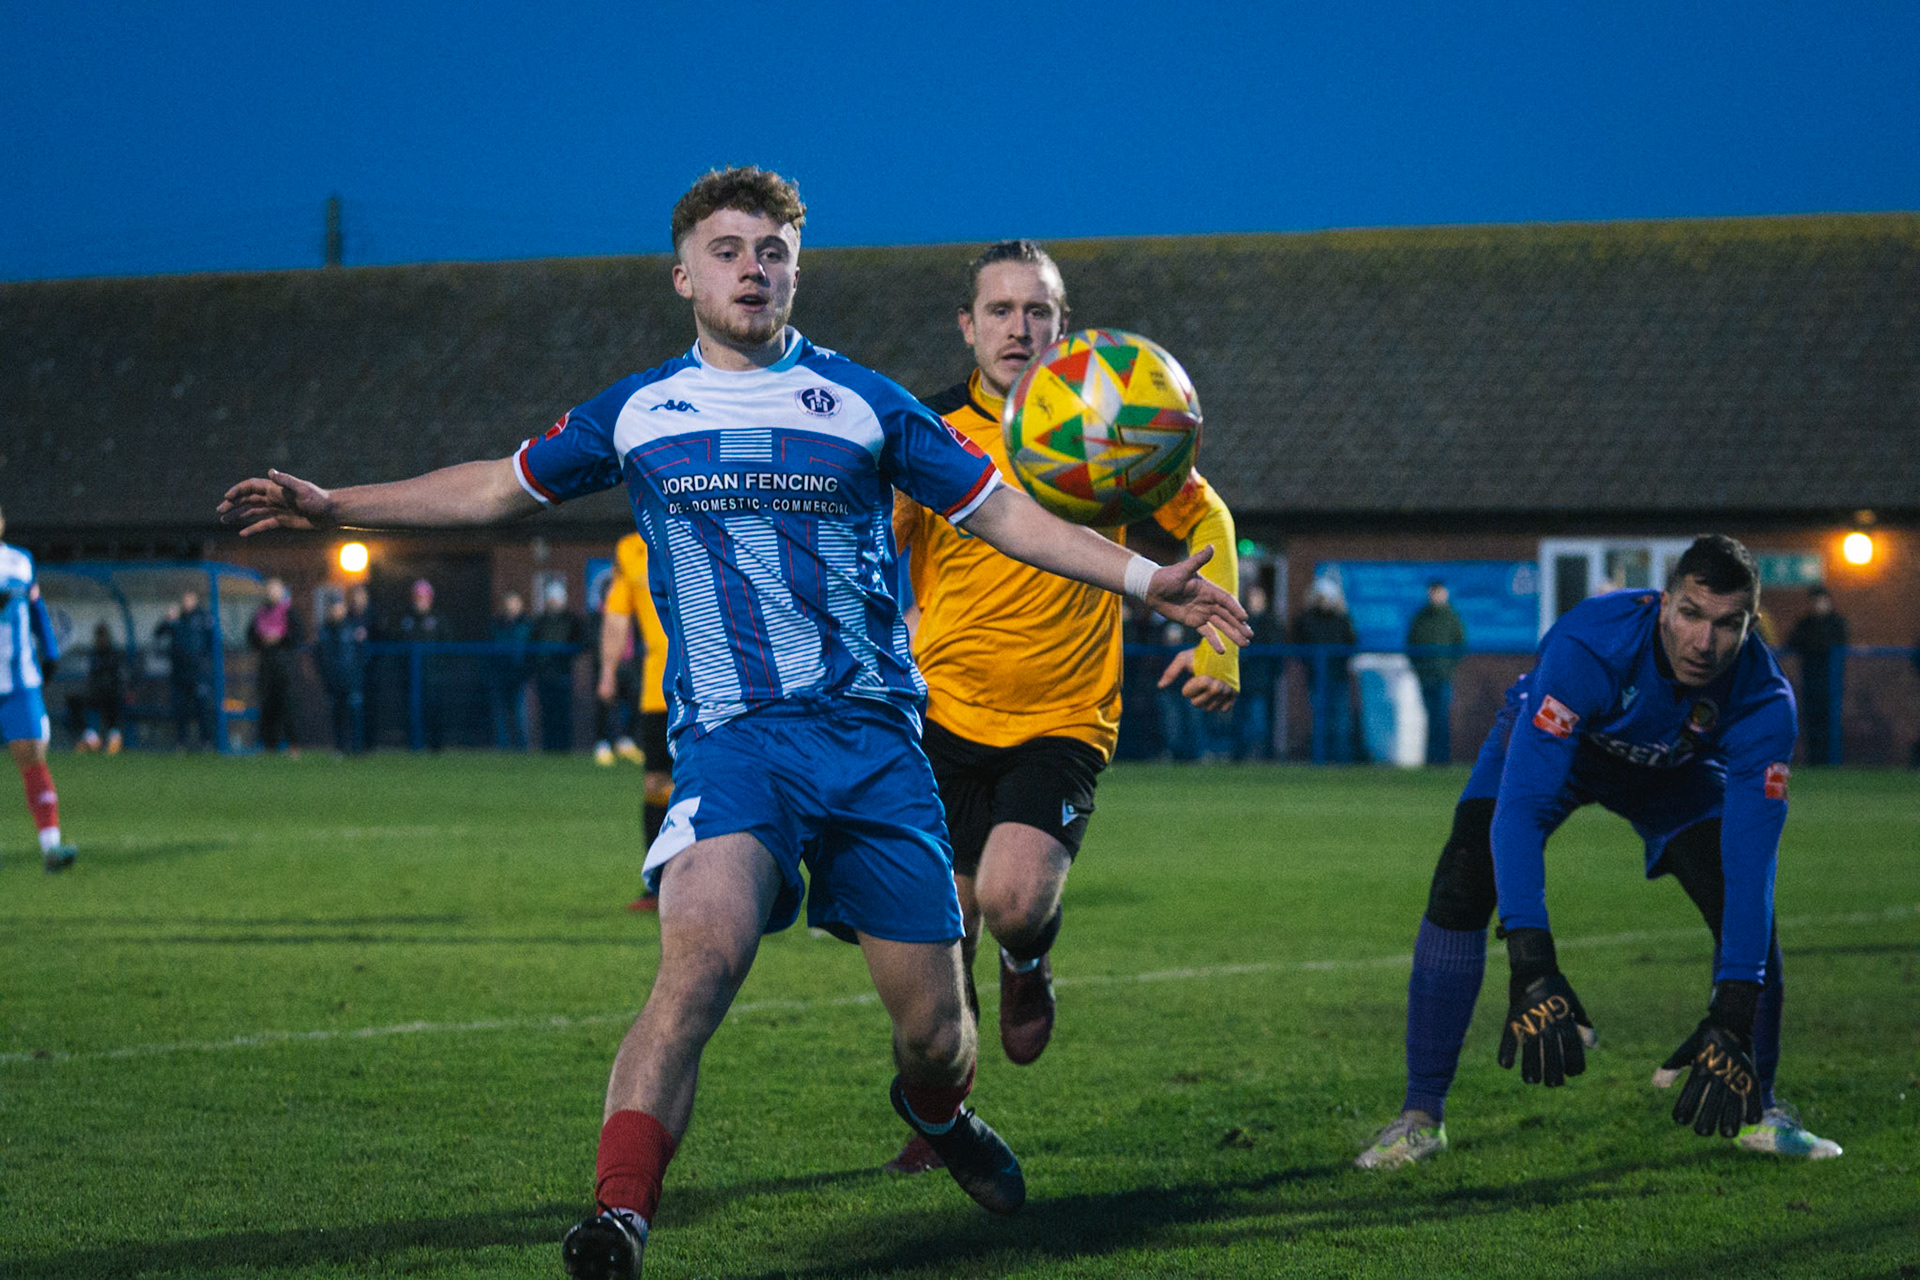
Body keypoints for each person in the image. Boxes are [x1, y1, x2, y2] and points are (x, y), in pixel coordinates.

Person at [219, 165, 1247, 1280]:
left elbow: (1002, 513)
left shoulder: (868, 405)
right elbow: (498, 487)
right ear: (683, 276)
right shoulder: (638, 412)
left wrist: (1149, 581)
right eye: (727, 251)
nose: (751, 269)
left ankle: (939, 1111)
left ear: (797, 272)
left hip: (874, 748)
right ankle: (618, 1216)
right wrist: (340, 504)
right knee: (696, 967)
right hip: (733, 746)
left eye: (772, 251)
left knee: (936, 1036)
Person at [886, 239, 1240, 1174]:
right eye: (999, 310)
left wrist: (1219, 643)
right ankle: (942, 1118)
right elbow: (872, 552)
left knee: (1008, 904)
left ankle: (1029, 959)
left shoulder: (1106, 419)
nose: (1019, 327)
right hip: (941, 714)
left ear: (1064, 326)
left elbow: (1206, 519)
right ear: (967, 327)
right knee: (940, 936)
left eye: (1036, 310)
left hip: (1064, 717)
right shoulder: (927, 432)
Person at [1355, 535, 1840, 1172]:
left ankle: (1762, 1107)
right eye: (1691, 614)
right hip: (1567, 748)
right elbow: (1521, 809)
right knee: (1464, 875)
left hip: (1674, 770)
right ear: (1663, 605)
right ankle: (1421, 1117)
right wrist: (1531, 962)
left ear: (1753, 625)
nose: (1705, 642)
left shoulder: (1766, 703)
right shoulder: (1590, 642)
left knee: (1739, 907)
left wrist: (1733, 1012)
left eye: (1729, 624)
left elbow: (1753, 868)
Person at [598, 532, 674, 912]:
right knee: (656, 784)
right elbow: (616, 616)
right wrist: (607, 670)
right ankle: (658, 886)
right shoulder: (630, 549)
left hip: (715, 687)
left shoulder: (709, 520)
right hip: (658, 690)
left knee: (721, 784)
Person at [0, 506, 77, 871]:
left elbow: (36, 608)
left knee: (33, 759)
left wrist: (50, 651)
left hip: (20, 684)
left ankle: (51, 847)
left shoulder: (20, 561)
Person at [1292, 578, 1358, 763]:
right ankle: (1320, 759)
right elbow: (1299, 642)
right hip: (1316, 678)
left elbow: (1351, 643)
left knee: (1340, 720)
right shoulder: (1307, 619)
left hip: (1338, 677)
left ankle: (1341, 760)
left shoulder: (1342, 619)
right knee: (1320, 719)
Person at [1784, 585, 1848, 766]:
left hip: (1831, 683)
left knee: (1830, 722)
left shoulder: (1836, 622)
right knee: (1811, 721)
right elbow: (1792, 641)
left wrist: (1815, 645)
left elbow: (1838, 641)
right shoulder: (1805, 623)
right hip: (1810, 681)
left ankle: (1831, 761)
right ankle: (1814, 760)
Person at [1406, 579, 1467, 766]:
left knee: (1442, 717)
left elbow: (1460, 645)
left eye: (1439, 592)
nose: (1435, 596)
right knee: (1429, 717)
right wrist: (1419, 668)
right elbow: (1411, 645)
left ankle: (1443, 759)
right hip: (1425, 676)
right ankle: (1430, 759)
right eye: (1433, 592)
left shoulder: (1451, 617)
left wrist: (1447, 668)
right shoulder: (1420, 617)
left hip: (1443, 676)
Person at [248, 577, 304, 754]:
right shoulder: (260, 612)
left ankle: (294, 745)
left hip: (285, 666)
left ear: (281, 591)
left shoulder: (289, 612)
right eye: (269, 589)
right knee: (267, 705)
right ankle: (269, 746)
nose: (272, 592)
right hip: (267, 666)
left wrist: (280, 639)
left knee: (288, 705)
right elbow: (250, 636)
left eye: (275, 589)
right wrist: (262, 640)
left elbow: (298, 635)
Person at [155, 588, 217, 749]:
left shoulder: (204, 617)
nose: (187, 602)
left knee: (203, 707)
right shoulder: (177, 618)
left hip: (199, 672)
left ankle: (206, 741)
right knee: (180, 708)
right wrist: (167, 619)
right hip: (179, 672)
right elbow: (158, 633)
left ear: (195, 600)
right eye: (185, 599)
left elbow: (213, 640)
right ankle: (181, 742)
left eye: (190, 599)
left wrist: (205, 662)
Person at [531, 580, 586, 753]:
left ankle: (564, 747)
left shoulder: (571, 620)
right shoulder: (540, 621)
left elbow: (582, 641)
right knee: (547, 712)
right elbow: (533, 643)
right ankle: (549, 747)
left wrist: (565, 655)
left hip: (563, 672)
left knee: (563, 711)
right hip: (545, 673)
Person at [1233, 583, 1285, 761]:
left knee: (1260, 721)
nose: (1256, 601)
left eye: (1259, 597)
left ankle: (1262, 755)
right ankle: (1241, 755)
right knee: (1242, 720)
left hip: (1262, 681)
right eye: (1253, 597)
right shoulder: (1239, 621)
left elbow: (1275, 646)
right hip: (1242, 679)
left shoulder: (1271, 622)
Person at [394, 578, 446, 751]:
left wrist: (439, 667)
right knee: (411, 710)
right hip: (409, 675)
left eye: (423, 597)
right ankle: (413, 744)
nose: (420, 601)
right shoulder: (406, 619)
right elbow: (398, 643)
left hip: (432, 675)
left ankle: (435, 746)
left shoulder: (438, 619)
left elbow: (447, 645)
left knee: (433, 709)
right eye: (417, 597)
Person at [315, 595, 368, 753]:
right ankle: (339, 747)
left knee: (354, 712)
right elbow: (320, 655)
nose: (336, 612)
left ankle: (357, 748)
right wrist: (325, 673)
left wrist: (357, 673)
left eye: (339, 608)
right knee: (337, 714)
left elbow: (362, 653)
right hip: (333, 679)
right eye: (334, 609)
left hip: (351, 678)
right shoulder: (324, 630)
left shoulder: (353, 628)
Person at [69, 622, 127, 754]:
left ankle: (112, 739)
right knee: (74, 701)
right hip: (97, 694)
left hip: (110, 693)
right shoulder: (95, 653)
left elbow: (116, 676)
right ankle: (92, 738)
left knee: (112, 704)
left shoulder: (113, 653)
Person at [489, 591, 533, 751]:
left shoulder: (527, 625)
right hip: (501, 675)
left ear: (520, 605)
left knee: (520, 715)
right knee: (500, 715)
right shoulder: (497, 625)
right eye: (508, 604)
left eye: (514, 604)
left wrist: (526, 671)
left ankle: (522, 749)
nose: (511, 607)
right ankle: (503, 748)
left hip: (519, 676)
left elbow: (530, 652)